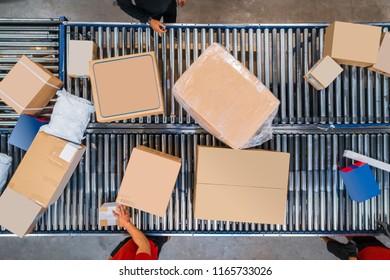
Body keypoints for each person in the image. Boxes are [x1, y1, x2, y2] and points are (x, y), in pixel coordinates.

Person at [321, 221, 390, 260]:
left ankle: (323, 236)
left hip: (357, 257)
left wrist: (352, 255)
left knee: (333, 246)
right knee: (354, 236)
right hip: (376, 249)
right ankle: (340, 227)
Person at [117, 0, 187, 35]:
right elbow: (125, 5)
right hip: (149, 11)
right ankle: (153, 36)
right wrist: (149, 20)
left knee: (170, 21)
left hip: (170, 4)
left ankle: (172, 35)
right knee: (153, 31)